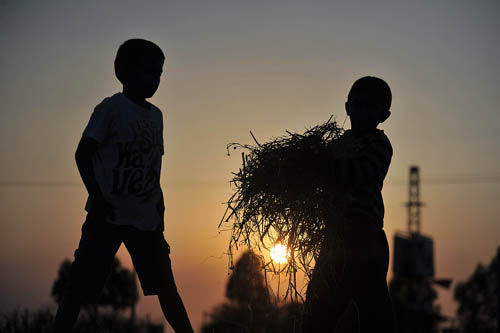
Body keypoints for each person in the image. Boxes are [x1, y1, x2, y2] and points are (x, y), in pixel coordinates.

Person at [53, 39, 194, 333]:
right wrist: (97, 196)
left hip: (146, 221)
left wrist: (160, 211)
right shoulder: (110, 109)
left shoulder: (156, 116)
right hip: (107, 216)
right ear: (123, 72)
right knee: (78, 288)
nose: (153, 80)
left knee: (167, 289)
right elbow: (82, 153)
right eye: (147, 72)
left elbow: (154, 168)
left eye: (158, 74)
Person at [303, 76, 396, 332]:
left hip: (365, 240)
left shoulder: (379, 145)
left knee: (375, 317)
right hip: (335, 239)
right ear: (348, 107)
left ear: (384, 115)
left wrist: (320, 167)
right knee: (317, 314)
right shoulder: (336, 145)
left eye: (371, 107)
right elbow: (323, 182)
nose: (363, 111)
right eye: (359, 104)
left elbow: (356, 174)